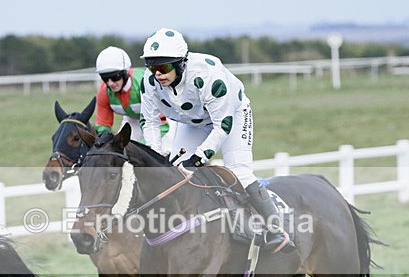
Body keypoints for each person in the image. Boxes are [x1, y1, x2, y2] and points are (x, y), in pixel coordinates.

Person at [139, 28, 290, 253]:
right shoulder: (149, 82)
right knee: (175, 173)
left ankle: (276, 229)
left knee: (239, 171)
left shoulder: (209, 76)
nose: (158, 74)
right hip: (193, 121)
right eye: (153, 68)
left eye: (164, 67)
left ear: (181, 63)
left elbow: (222, 126)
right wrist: (156, 155)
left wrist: (199, 157)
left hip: (231, 116)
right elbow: (149, 121)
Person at [94, 46, 173, 147]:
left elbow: (161, 125)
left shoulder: (143, 84)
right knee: (122, 148)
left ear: (125, 73)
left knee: (161, 150)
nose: (110, 83)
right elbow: (103, 126)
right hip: (133, 120)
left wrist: (142, 147)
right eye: (105, 78)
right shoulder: (104, 91)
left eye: (115, 77)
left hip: (167, 119)